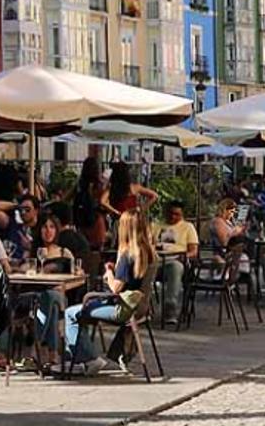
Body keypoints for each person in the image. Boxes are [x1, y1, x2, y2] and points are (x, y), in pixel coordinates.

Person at [63, 210, 154, 376]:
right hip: (140, 307)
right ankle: (93, 356)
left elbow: (116, 288)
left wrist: (109, 273)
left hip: (121, 308)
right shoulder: (149, 254)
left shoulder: (128, 255)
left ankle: (89, 359)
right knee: (87, 306)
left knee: (70, 313)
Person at [154, 200, 194, 326]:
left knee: (175, 268)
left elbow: (194, 251)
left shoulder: (188, 227)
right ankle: (140, 307)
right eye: (170, 213)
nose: (173, 217)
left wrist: (185, 256)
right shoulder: (156, 226)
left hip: (175, 260)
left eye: (177, 214)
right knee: (139, 267)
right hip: (157, 260)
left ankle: (170, 309)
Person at [72, 156, 108, 250]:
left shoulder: (80, 185)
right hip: (97, 221)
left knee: (83, 249)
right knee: (97, 251)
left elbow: (65, 197)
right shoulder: (101, 185)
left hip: (82, 221)